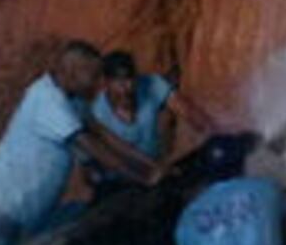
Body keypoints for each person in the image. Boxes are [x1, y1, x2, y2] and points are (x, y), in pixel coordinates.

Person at [0, 40, 168, 245]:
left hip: (23, 209)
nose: (98, 83)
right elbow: (94, 147)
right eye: (93, 76)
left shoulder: (74, 99)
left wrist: (151, 165)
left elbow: (104, 135)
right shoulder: (49, 101)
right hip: (0, 207)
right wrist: (144, 178)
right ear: (73, 73)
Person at [90, 50, 219, 161]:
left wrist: (213, 133)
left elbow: (187, 110)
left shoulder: (150, 83)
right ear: (105, 84)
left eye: (130, 80)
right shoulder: (97, 114)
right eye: (119, 83)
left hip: (157, 169)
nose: (126, 89)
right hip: (122, 180)